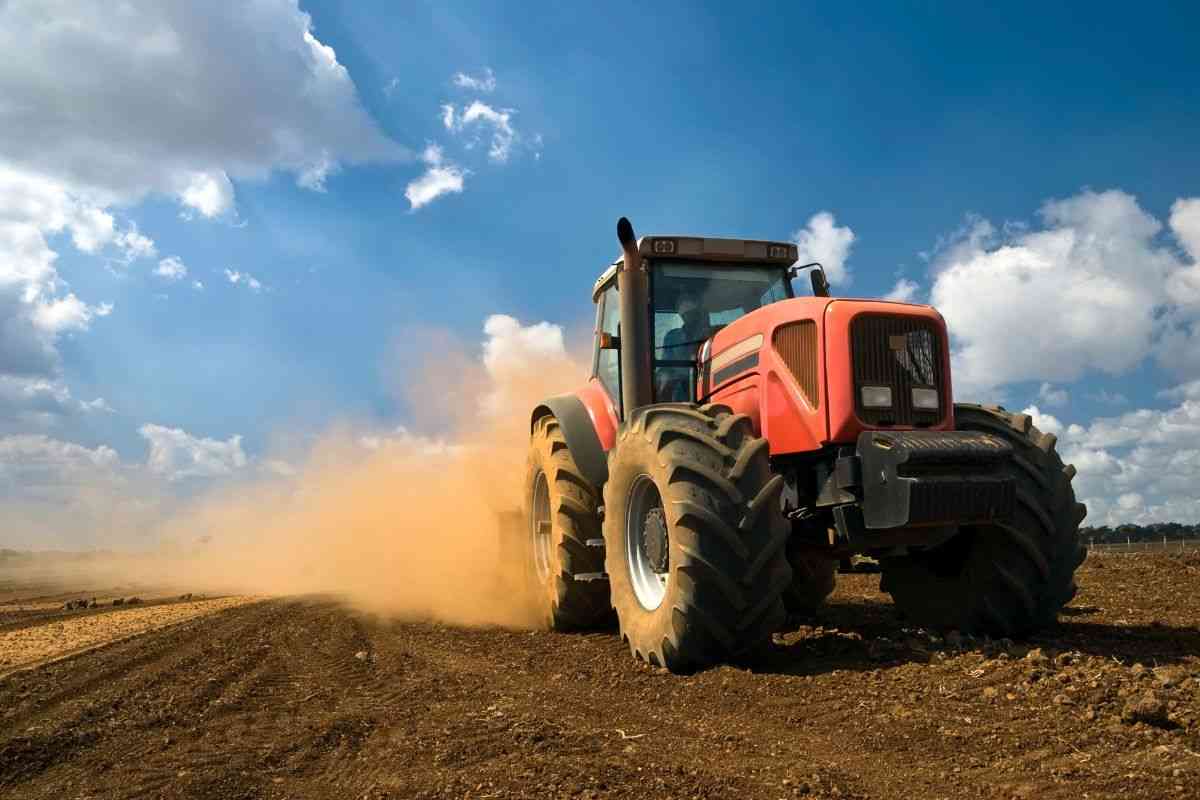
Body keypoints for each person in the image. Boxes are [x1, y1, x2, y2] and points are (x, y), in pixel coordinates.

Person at [656, 287, 709, 401]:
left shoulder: (715, 334)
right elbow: (666, 369)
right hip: (682, 395)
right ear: (681, 315)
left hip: (708, 386)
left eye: (694, 313)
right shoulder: (673, 338)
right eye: (687, 314)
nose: (691, 318)